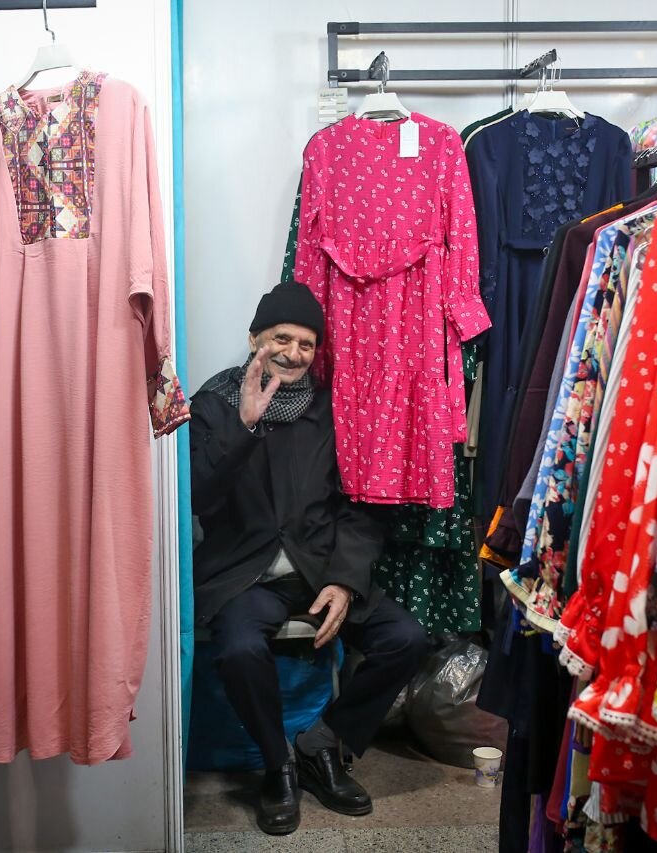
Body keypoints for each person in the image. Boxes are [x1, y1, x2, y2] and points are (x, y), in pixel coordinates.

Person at [190, 281, 430, 835]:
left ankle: (321, 742)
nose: (294, 353)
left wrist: (344, 581)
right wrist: (244, 426)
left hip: (321, 568)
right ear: (254, 337)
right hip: (246, 575)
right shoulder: (212, 404)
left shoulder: (331, 408)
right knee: (239, 649)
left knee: (407, 639)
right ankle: (278, 764)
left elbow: (358, 506)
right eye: (282, 338)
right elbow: (198, 498)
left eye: (306, 343)